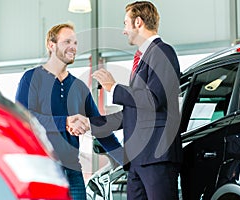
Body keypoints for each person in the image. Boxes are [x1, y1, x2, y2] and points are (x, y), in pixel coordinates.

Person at [73, 1, 182, 199]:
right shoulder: (143, 58)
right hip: (138, 159)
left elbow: (154, 99)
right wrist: (89, 123)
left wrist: (113, 88)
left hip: (156, 157)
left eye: (125, 23)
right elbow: (132, 113)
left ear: (138, 22)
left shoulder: (162, 52)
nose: (124, 30)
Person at [15, 23, 122, 200]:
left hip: (74, 172)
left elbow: (100, 128)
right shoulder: (31, 78)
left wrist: (126, 160)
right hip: (42, 171)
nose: (73, 47)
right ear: (51, 45)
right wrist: (64, 122)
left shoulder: (79, 88)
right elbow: (24, 118)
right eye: (67, 42)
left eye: (75, 42)